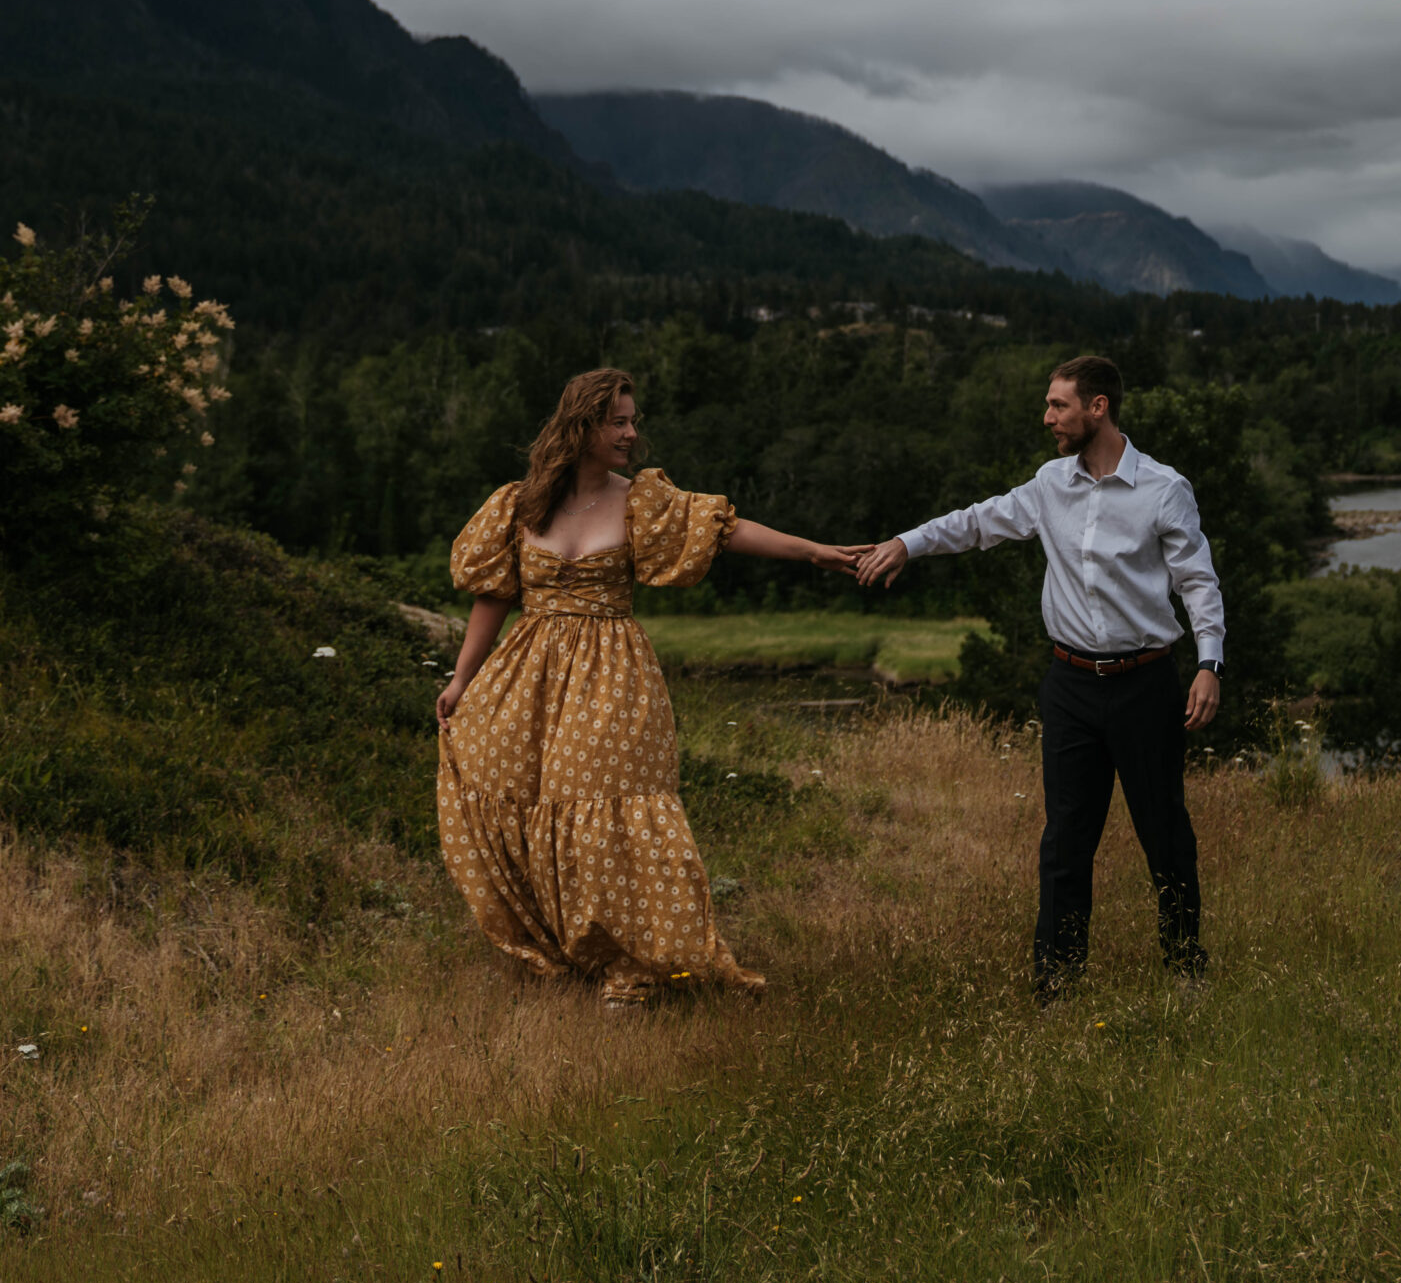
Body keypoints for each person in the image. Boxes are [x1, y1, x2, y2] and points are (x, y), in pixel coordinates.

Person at [436, 366, 861, 1009]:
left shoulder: (640, 500)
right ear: (581, 427)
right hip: (528, 673)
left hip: (612, 674)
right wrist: (462, 677)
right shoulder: (518, 504)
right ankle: (566, 943)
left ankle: (636, 963)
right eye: (619, 421)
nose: (633, 433)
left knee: (605, 805)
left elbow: (721, 528)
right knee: (512, 793)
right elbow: (494, 596)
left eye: (633, 421)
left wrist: (813, 552)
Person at [856, 354, 1224, 993]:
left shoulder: (1164, 489)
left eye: (1058, 405)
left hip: (1146, 684)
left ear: (1098, 407)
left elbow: (1197, 581)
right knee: (1065, 842)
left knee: (1164, 833)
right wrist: (907, 543)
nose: (1047, 417)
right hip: (1071, 686)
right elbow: (976, 522)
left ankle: (1186, 968)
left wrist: (1209, 663)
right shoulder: (1049, 484)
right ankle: (1056, 983)